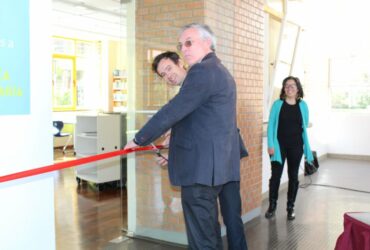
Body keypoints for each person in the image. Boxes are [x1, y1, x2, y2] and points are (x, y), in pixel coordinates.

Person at [124, 23, 247, 249]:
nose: (185, 48)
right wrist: (174, 151)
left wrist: (138, 139)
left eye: (189, 42)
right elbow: (201, 122)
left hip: (204, 172)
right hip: (222, 164)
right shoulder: (219, 70)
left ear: (207, 42)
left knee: (203, 240)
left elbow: (174, 110)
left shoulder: (201, 71)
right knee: (230, 226)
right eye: (182, 45)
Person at [151, 51, 248, 249]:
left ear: (180, 63)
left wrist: (142, 140)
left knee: (211, 226)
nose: (168, 76)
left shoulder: (195, 84)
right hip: (225, 162)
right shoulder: (196, 85)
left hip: (213, 168)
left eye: (169, 68)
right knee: (232, 221)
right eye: (163, 74)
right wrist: (174, 151)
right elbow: (198, 129)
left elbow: (196, 130)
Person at [265, 76, 314, 221]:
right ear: (283, 89)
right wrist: (270, 145)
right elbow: (271, 126)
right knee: (275, 177)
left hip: (296, 146)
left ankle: (290, 207)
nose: (289, 88)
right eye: (286, 85)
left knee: (293, 177)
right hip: (279, 147)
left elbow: (303, 125)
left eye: (292, 85)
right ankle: (272, 206)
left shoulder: (303, 105)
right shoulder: (277, 104)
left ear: (298, 88)